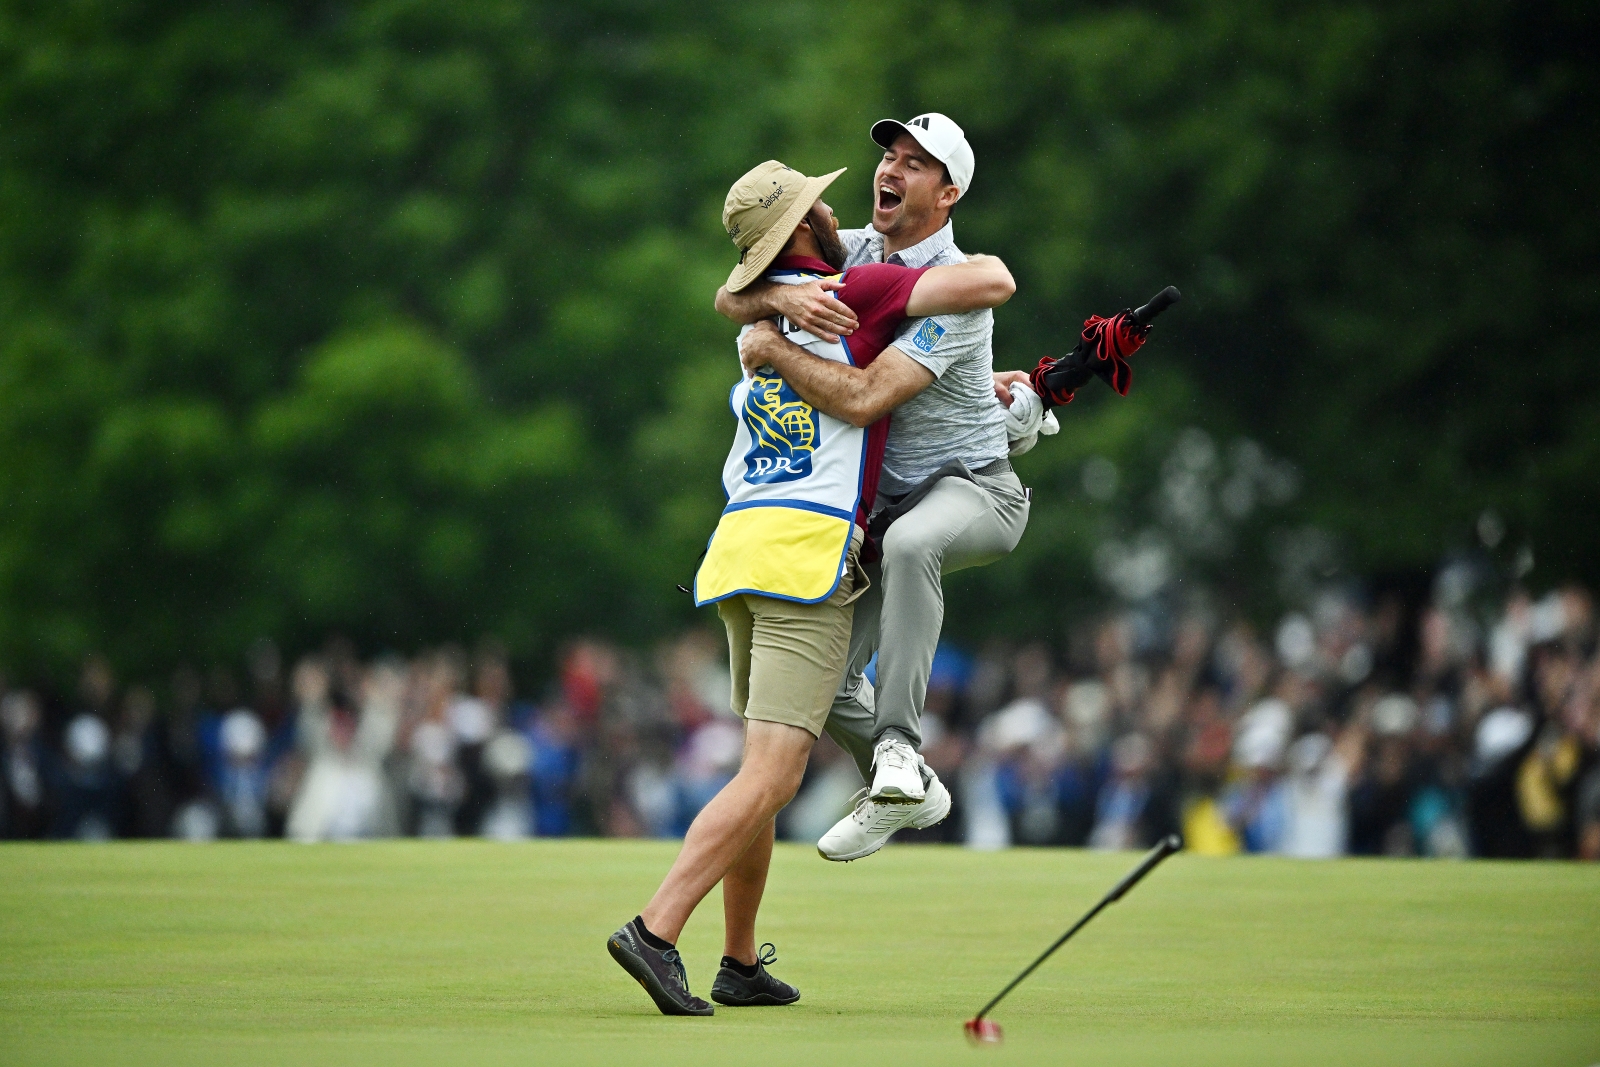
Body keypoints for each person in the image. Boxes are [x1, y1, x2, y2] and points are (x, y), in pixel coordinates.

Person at [607, 159, 1015, 1017]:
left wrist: (1003, 385)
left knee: (761, 764)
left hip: (739, 549)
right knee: (774, 774)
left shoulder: (761, 315)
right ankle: (654, 928)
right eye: (812, 203)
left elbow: (733, 298)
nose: (831, 207)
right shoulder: (853, 286)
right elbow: (987, 281)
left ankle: (739, 959)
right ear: (799, 231)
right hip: (809, 557)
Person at [720, 114, 1034, 859]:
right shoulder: (852, 249)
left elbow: (864, 398)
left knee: (914, 542)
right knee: (820, 679)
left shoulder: (960, 284)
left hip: (976, 490)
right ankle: (909, 787)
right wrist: (780, 302)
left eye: (916, 164)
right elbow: (728, 296)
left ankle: (896, 746)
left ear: (948, 192)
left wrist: (770, 336)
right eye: (890, 156)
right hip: (879, 514)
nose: (890, 170)